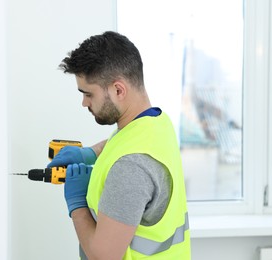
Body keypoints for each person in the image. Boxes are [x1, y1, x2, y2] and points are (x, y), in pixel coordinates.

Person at [48, 31, 190, 259]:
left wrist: (77, 204)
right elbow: (125, 143)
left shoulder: (130, 168)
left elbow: (102, 256)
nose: (84, 103)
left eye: (88, 94)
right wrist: (89, 154)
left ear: (118, 90)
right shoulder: (155, 123)